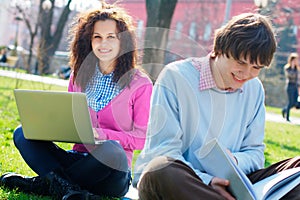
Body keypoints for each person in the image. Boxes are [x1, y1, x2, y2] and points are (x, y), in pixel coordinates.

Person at [133, 13, 300, 200]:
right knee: (160, 168)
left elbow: (254, 153)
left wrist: (234, 161)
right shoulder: (176, 77)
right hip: (187, 181)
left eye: (256, 67)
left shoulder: (254, 89)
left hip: (233, 183)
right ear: (219, 49)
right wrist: (208, 180)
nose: (246, 74)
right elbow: (162, 150)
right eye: (240, 62)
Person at [0, 2, 152, 200]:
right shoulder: (79, 75)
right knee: (23, 133)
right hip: (78, 160)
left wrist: (101, 134)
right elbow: (70, 121)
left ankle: (46, 183)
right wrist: (52, 127)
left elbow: (142, 138)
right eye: (97, 37)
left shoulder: (140, 84)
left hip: (112, 170)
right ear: (88, 41)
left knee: (112, 149)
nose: (103, 43)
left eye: (110, 37)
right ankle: (67, 189)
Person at [281, 52, 299, 121]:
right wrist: (292, 66)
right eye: (295, 60)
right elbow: (290, 76)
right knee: (290, 102)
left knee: (295, 103)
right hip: (289, 86)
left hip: (295, 87)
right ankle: (287, 118)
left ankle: (284, 110)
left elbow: (297, 79)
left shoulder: (297, 69)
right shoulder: (287, 68)